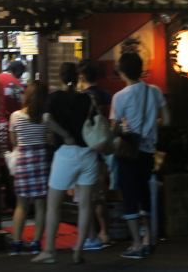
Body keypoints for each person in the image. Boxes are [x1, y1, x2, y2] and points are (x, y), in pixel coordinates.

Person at [32, 62, 98, 265]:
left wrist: (65, 134)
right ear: (78, 77)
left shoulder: (55, 98)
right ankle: (79, 248)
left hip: (66, 153)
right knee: (86, 205)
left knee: (53, 204)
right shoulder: (87, 98)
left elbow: (46, 119)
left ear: (60, 77)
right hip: (88, 153)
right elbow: (95, 121)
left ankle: (50, 250)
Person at [110, 52, 169, 259]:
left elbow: (114, 128)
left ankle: (136, 244)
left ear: (122, 72)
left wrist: (127, 128)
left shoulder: (120, 97)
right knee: (145, 196)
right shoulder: (155, 91)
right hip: (149, 152)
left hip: (128, 153)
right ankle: (148, 240)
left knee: (129, 197)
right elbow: (167, 120)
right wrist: (151, 125)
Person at [8, 80, 49, 255]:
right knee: (40, 205)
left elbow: (13, 141)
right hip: (40, 161)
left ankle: (16, 243)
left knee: (21, 205)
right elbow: (49, 138)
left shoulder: (15, 116)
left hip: (23, 162)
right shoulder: (46, 118)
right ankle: (36, 244)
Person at [77, 59, 113, 250]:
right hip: (103, 147)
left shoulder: (81, 98)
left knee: (87, 196)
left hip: (86, 147)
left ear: (82, 77)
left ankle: (92, 235)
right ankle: (105, 232)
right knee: (100, 195)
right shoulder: (106, 95)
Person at [0, 60, 26, 211]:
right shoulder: (17, 85)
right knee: (9, 163)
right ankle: (11, 200)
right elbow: (22, 108)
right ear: (19, 73)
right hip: (9, 126)